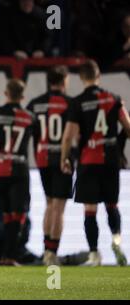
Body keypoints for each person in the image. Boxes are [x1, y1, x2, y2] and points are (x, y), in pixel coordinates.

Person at [61, 59, 130, 266]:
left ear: (82, 78)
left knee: (90, 209)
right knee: (111, 204)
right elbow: (128, 127)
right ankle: (117, 240)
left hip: (88, 160)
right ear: (98, 76)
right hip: (110, 159)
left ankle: (94, 254)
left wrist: (65, 157)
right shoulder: (114, 99)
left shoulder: (78, 102)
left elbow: (68, 136)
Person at [0, 79, 33, 266]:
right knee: (17, 214)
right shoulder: (29, 117)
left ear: (6, 93)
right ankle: (9, 255)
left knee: (2, 213)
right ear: (22, 96)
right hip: (19, 169)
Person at [26, 65, 72, 266]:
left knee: (49, 204)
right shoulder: (71, 104)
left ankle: (46, 250)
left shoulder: (35, 104)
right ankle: (52, 253)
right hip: (64, 159)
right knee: (59, 208)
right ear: (64, 81)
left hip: (42, 158)